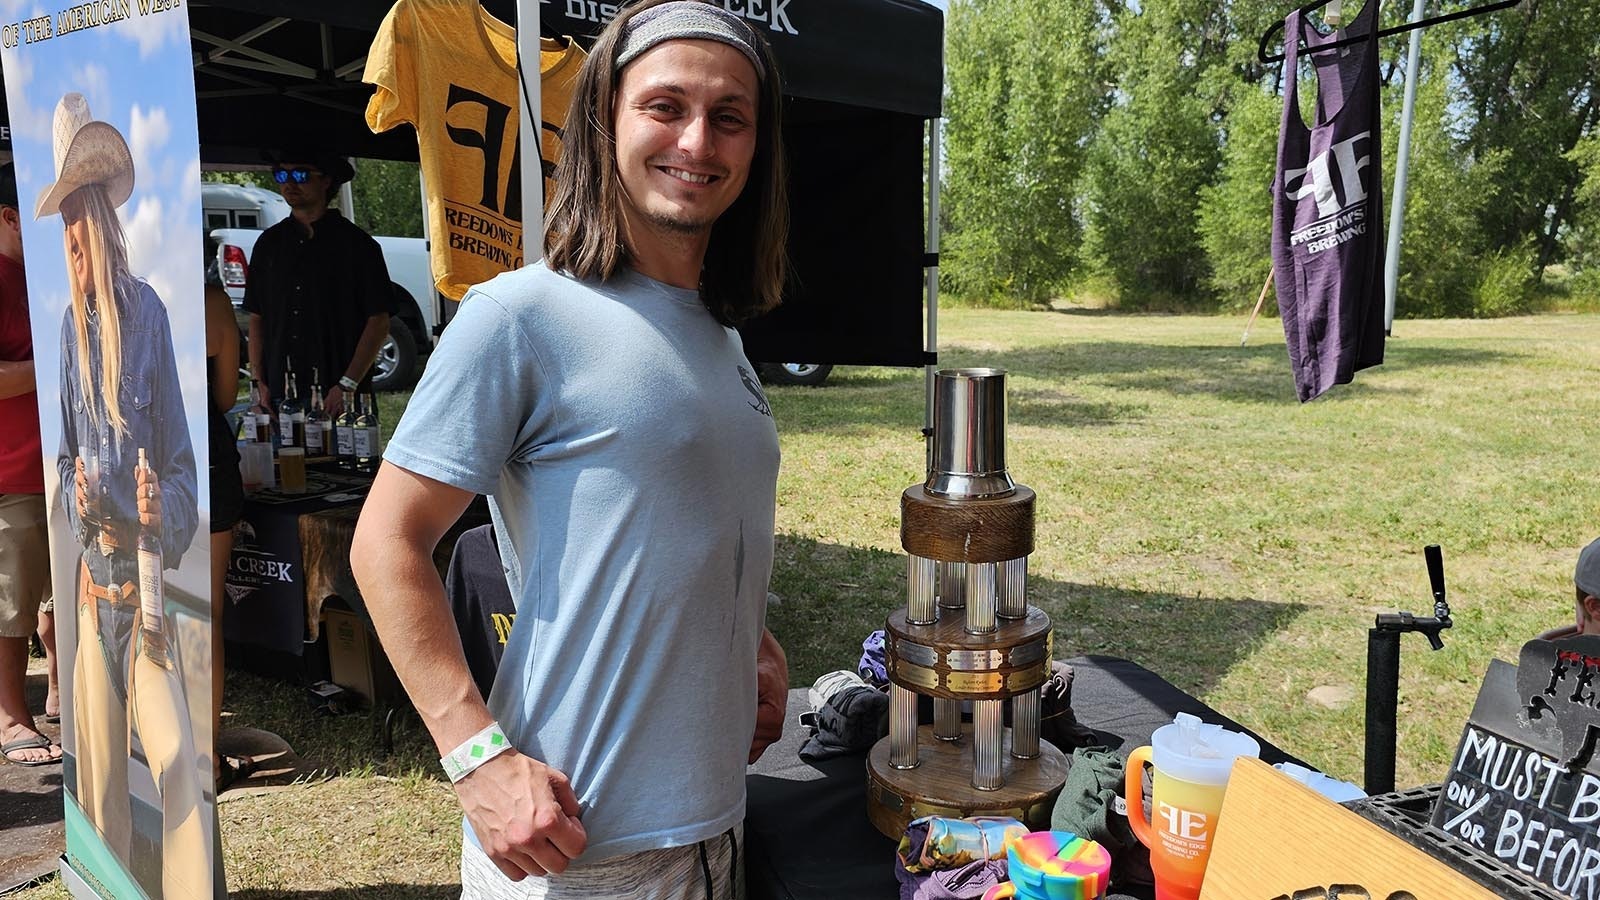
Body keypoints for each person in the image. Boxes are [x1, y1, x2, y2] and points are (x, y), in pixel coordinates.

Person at [350, 2, 790, 896]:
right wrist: (476, 759)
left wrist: (754, 638)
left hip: (717, 831)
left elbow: (656, 529)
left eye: (729, 117)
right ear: (604, 121)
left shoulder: (723, 337)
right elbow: (385, 542)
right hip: (576, 854)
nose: (697, 141)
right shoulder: (521, 315)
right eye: (664, 107)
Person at [38, 92, 208, 899]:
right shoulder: (68, 335)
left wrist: (155, 512)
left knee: (177, 766)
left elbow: (182, 473)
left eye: (80, 214)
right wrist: (79, 496)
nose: (71, 237)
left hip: (142, 604)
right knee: (99, 809)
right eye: (63, 219)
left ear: (103, 217)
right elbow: (68, 458)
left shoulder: (152, 316)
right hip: (88, 598)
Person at [243, 153, 393, 419]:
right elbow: (257, 318)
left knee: (342, 461)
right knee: (283, 462)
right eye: (281, 175)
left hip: (340, 396)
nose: (289, 183)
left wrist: (348, 383)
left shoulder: (358, 246)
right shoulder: (268, 245)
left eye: (300, 175)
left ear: (326, 181)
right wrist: (258, 383)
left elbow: (379, 320)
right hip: (280, 396)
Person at [0, 161, 60, 767]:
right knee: (11, 606)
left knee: (54, 597)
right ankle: (11, 717)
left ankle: (57, 697)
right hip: (10, 471)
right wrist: (54, 361)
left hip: (59, 464)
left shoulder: (40, 273)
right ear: (9, 215)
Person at [206, 280, 245, 786]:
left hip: (126, 460)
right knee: (203, 615)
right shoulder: (209, 296)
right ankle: (204, 758)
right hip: (202, 456)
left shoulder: (108, 283)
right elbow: (224, 394)